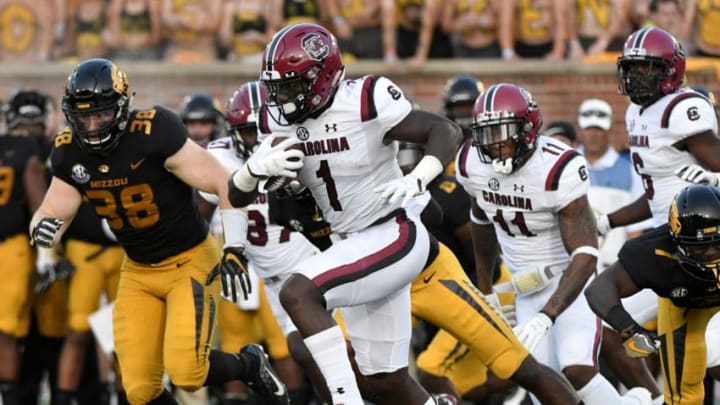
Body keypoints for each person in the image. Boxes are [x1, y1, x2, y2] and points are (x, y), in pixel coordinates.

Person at [227, 22, 464, 405]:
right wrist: (252, 171)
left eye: (291, 85)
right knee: (385, 380)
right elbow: (237, 197)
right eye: (277, 87)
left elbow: (445, 130)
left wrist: (420, 176)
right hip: (351, 243)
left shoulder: (365, 98)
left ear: (322, 77)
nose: (283, 97)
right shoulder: (275, 120)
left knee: (298, 293)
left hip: (393, 231)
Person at [28, 58, 288, 405]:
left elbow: (223, 183)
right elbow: (51, 210)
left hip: (189, 262)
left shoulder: (154, 132)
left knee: (187, 373)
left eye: (101, 114)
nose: (92, 125)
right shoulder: (68, 151)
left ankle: (248, 363)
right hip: (137, 271)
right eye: (84, 116)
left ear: (121, 108)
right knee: (138, 390)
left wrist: (235, 248)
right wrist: (42, 231)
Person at [455, 82, 651, 405]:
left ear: (528, 129)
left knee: (577, 369)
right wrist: (485, 286)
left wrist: (548, 314)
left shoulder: (557, 168)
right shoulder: (472, 164)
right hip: (523, 289)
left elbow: (586, 253)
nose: (495, 145)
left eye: (504, 133)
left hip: (570, 284)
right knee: (542, 384)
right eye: (487, 134)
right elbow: (481, 220)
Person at [200, 81, 313, 405]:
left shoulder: (298, 147)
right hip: (244, 263)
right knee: (241, 341)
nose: (260, 137)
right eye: (251, 131)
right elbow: (199, 218)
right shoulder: (219, 157)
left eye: (265, 128)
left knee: (298, 349)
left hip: (305, 264)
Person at [586, 184, 720, 405]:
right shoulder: (655, 251)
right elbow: (598, 289)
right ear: (676, 241)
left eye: (717, 245)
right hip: (684, 306)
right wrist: (630, 329)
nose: (711, 255)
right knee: (683, 396)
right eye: (700, 249)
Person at [596, 27, 720, 244]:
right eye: (631, 68)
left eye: (646, 67)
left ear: (671, 70)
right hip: (666, 227)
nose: (635, 76)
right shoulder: (635, 112)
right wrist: (607, 222)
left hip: (699, 231)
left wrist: (716, 180)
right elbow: (657, 193)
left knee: (620, 270)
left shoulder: (680, 109)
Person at [0, 96, 49, 405]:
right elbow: (39, 206)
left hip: (11, 248)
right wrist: (47, 255)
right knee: (7, 332)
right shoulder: (30, 150)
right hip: (13, 248)